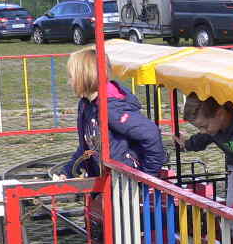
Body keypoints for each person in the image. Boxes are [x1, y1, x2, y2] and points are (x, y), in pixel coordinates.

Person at [62, 47, 166, 177]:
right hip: (108, 179)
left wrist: (147, 177)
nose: (69, 82)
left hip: (125, 182)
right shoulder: (86, 105)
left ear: (84, 76)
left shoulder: (111, 108)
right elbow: (89, 144)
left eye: (71, 77)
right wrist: (68, 171)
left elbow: (151, 134)